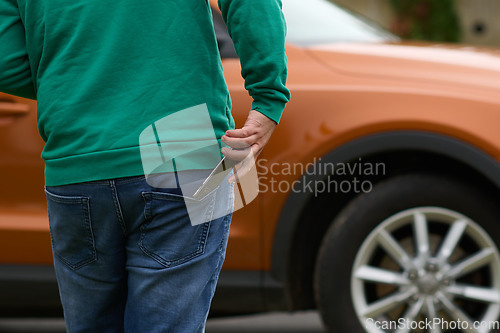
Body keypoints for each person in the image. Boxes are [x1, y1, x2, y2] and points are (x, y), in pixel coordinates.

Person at [0, 0, 290, 331]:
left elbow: (5, 60)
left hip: (77, 153)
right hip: (185, 138)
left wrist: (75, 85)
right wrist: (268, 97)